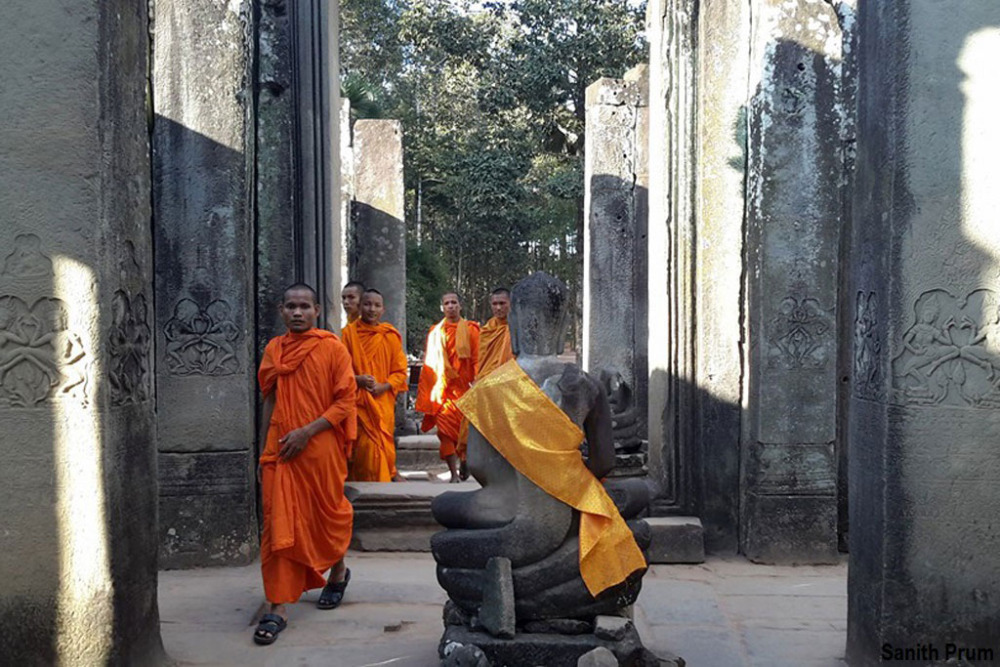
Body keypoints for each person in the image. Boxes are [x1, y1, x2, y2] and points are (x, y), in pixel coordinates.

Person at [253, 283, 356, 645]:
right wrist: (263, 449)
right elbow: (270, 401)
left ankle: (338, 571)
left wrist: (307, 432)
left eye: (304, 306)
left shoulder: (332, 348)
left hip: (320, 447)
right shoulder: (274, 350)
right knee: (276, 524)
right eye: (291, 306)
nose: (297, 312)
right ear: (281, 310)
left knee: (326, 516)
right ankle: (278, 605)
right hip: (280, 449)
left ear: (316, 311)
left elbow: (345, 402)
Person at [342, 289, 409, 482]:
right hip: (358, 403)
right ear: (360, 307)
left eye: (377, 305)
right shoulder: (347, 335)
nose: (372, 309)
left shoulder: (389, 335)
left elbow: (400, 372)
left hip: (382, 402)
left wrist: (384, 386)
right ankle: (366, 487)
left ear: (383, 309)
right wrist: (358, 380)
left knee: (381, 444)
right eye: (367, 304)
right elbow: (338, 371)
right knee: (363, 449)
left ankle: (384, 481)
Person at [415, 291, 480, 483]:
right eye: (447, 303)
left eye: (454, 302)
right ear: (442, 307)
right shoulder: (435, 332)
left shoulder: (472, 330)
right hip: (442, 391)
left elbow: (477, 358)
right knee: (444, 433)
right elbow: (430, 363)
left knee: (465, 432)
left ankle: (464, 461)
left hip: (465, 391)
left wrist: (477, 380)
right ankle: (453, 473)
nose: (450, 306)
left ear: (460, 306)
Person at [476, 287, 514, 379]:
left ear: (511, 303)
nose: (498, 308)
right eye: (494, 304)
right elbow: (481, 361)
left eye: (502, 303)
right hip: (487, 378)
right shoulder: (487, 330)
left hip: (511, 378)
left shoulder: (518, 328)